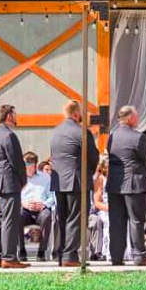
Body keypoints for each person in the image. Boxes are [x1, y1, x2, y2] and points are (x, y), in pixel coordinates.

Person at [106, 105, 146, 266]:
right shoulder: (139, 137)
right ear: (129, 118)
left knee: (116, 221)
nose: (138, 119)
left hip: (114, 184)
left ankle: (116, 257)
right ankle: (139, 255)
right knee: (136, 221)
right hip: (135, 183)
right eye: (137, 116)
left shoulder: (111, 137)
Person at [49, 99, 90, 267]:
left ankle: (62, 253)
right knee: (76, 218)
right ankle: (70, 255)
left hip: (59, 181)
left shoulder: (55, 132)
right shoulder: (81, 132)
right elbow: (92, 157)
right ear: (76, 113)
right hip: (76, 180)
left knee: (63, 218)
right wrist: (90, 172)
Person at [0, 104, 29, 269]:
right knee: (10, 221)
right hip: (8, 183)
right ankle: (9, 258)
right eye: (15, 113)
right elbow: (17, 161)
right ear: (9, 116)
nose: (17, 116)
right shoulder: (9, 135)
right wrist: (23, 179)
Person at [20, 151, 55, 262]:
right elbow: (14, 197)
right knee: (16, 216)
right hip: (25, 209)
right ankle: (21, 250)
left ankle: (42, 251)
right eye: (26, 165)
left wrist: (44, 204)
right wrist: (23, 203)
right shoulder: (18, 178)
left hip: (41, 210)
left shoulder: (45, 178)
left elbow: (52, 197)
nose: (29, 168)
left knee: (47, 215)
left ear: (35, 165)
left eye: (31, 165)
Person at [91, 155, 111, 259]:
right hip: (105, 209)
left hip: (118, 208)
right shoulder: (100, 179)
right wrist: (108, 208)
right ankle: (107, 251)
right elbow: (97, 202)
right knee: (109, 221)